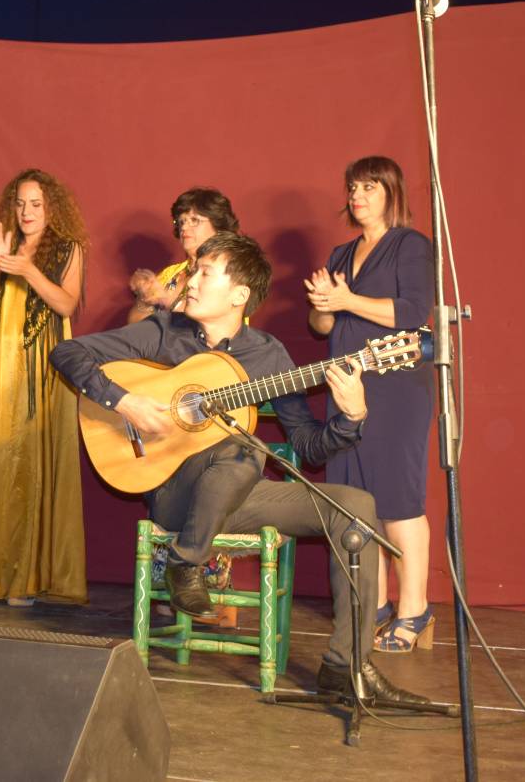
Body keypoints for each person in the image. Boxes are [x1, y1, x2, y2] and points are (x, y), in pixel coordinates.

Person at [50, 232, 429, 706]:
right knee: (246, 450)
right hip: (174, 493)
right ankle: (186, 561)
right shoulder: (163, 330)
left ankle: (346, 666)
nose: (190, 281)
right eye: (194, 271)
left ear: (239, 295)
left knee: (355, 507)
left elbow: (309, 446)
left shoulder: (267, 355)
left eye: (204, 273)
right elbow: (67, 353)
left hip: (234, 492)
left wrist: (352, 417)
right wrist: (124, 401)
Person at [306, 156, 434, 653]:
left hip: (397, 390)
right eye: (353, 188)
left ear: (391, 192)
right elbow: (322, 327)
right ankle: (375, 606)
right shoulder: (341, 254)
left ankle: (414, 610)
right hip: (346, 388)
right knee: (357, 503)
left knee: (398, 503)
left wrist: (346, 302)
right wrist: (323, 307)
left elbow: (413, 311)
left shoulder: (410, 245)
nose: (357, 196)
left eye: (369, 187)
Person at [0, 169, 88, 607]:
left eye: (36, 204)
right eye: (20, 203)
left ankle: (27, 579)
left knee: (34, 464)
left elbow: (66, 304)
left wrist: (28, 269)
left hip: (45, 370)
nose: (27, 211)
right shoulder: (5, 247)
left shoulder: (68, 248)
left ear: (51, 208)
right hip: (2, 367)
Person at [128, 187, 241, 324]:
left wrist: (165, 301)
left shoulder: (231, 271)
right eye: (181, 222)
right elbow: (134, 326)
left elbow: (214, 326)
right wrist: (146, 300)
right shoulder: (170, 274)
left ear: (218, 227)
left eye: (194, 220)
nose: (184, 227)